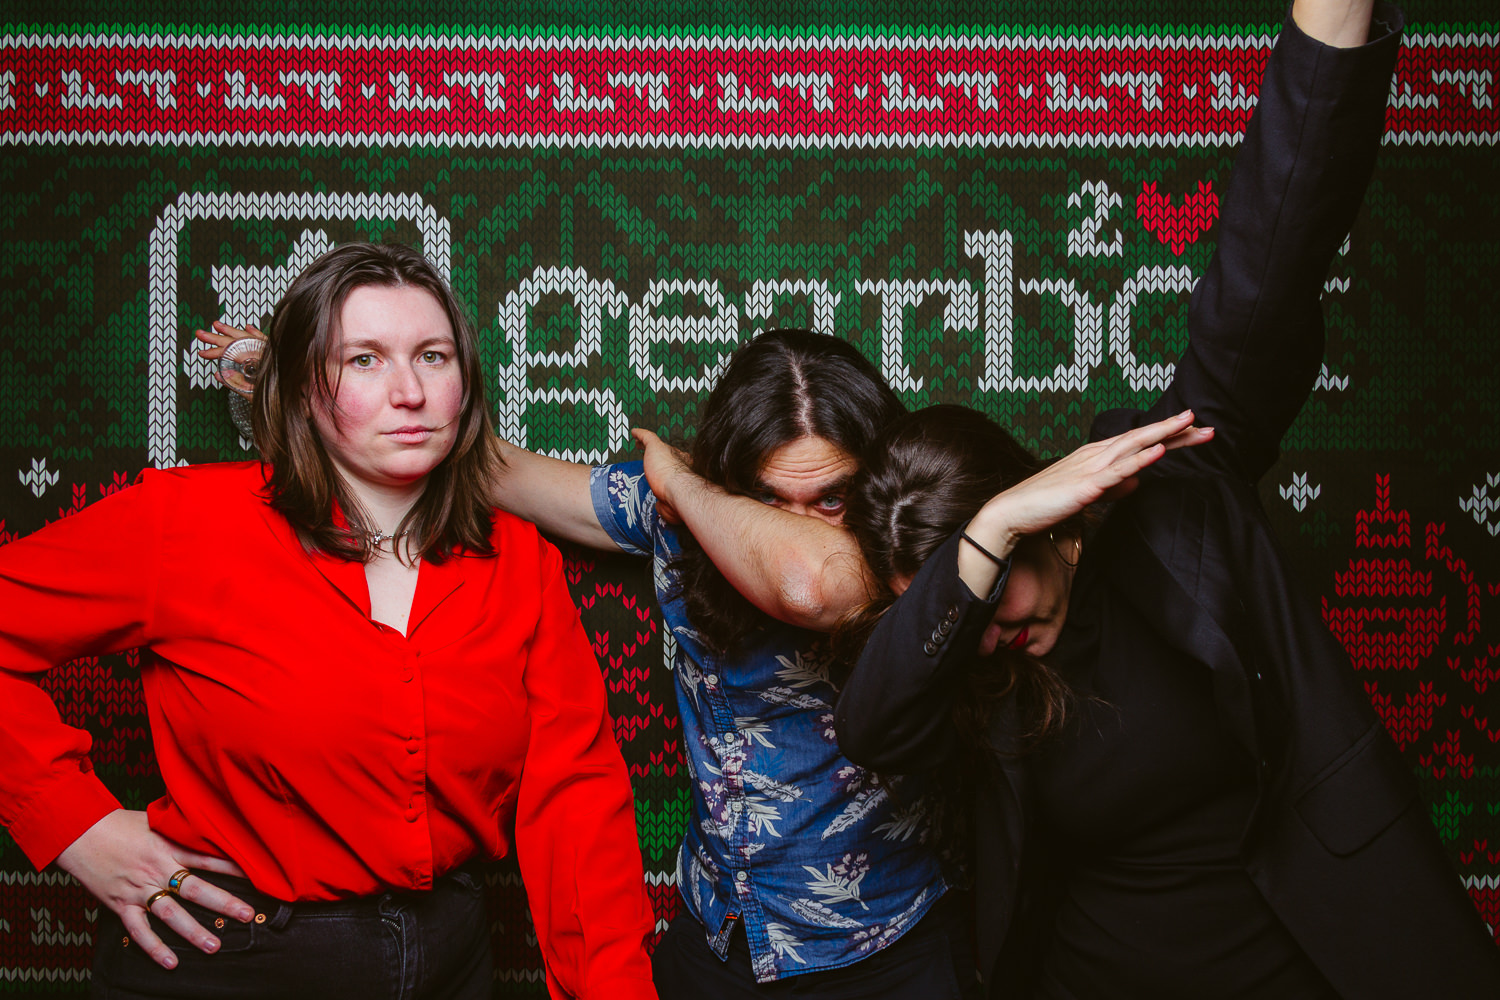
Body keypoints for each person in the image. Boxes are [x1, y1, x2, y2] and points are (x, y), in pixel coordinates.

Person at [833, 1, 1500, 997]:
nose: (986, 633)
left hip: (1323, 961)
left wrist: (1331, 27)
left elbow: (1269, 264)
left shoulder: (1178, 491)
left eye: (999, 585)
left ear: (1056, 516)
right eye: (963, 605)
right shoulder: (966, 664)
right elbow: (870, 727)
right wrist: (988, 536)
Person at [196, 320, 976, 997]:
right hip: (720, 941)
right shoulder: (672, 516)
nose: (797, 525)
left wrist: (681, 483)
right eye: (768, 500)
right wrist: (321, 387)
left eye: (832, 499)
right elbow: (494, 468)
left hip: (885, 950)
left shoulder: (914, 551)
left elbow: (804, 581)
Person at [0, 243, 657, 999]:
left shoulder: (518, 561)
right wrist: (74, 825)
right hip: (227, 962)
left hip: (450, 963)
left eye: (433, 357)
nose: (410, 392)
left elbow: (578, 803)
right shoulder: (188, 521)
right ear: (303, 388)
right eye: (364, 360)